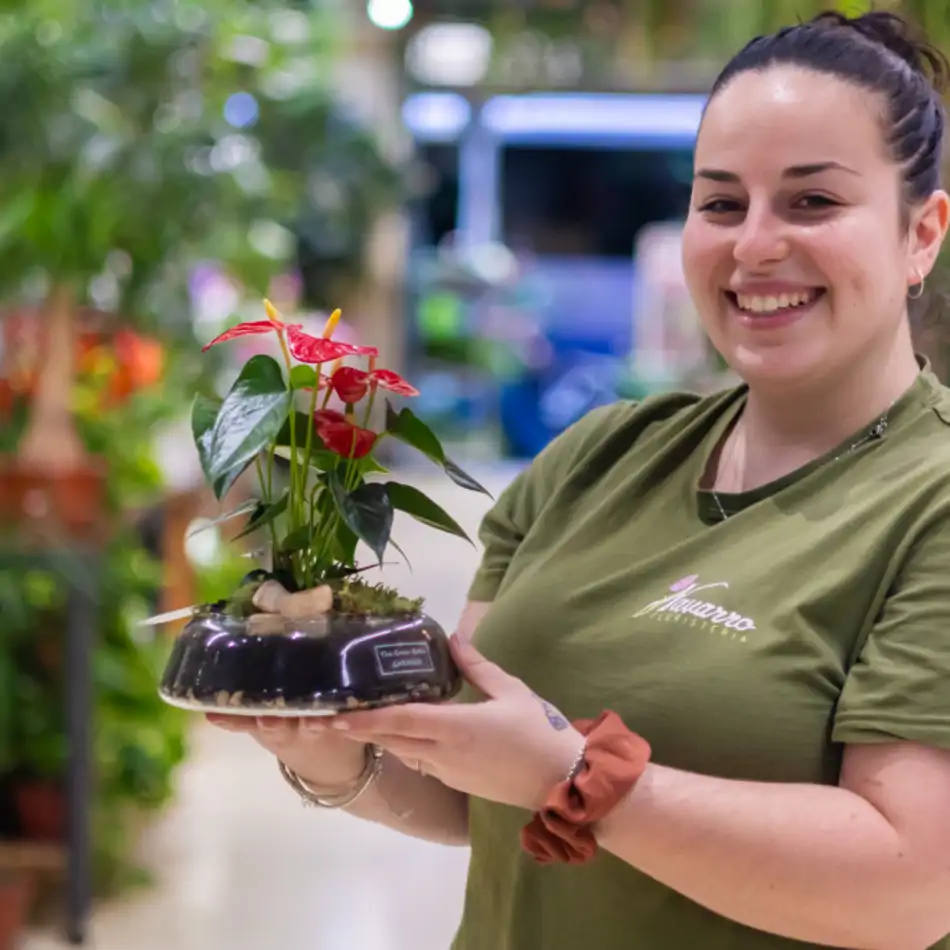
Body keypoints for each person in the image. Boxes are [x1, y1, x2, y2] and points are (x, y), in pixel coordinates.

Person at [209, 10, 950, 949]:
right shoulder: (596, 458)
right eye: (720, 203)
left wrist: (578, 776)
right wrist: (329, 752)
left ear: (921, 233)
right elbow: (472, 795)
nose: (754, 245)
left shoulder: (929, 501)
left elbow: (911, 885)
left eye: (811, 203)